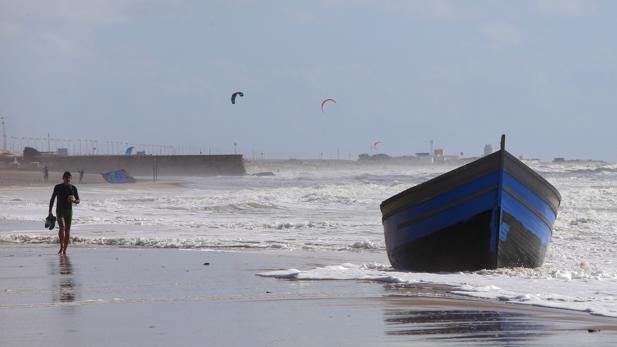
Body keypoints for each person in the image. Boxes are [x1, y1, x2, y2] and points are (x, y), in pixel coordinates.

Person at [49, 171, 80, 255]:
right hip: (60, 210)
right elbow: (52, 199)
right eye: (66, 177)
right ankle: (61, 246)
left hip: (69, 211)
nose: (68, 179)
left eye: (69, 177)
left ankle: (65, 250)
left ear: (71, 178)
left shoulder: (73, 188)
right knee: (62, 227)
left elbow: (78, 200)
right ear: (63, 178)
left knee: (68, 230)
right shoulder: (58, 187)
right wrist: (50, 212)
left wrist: (74, 200)